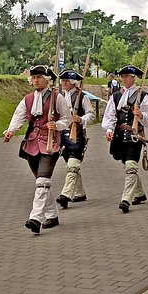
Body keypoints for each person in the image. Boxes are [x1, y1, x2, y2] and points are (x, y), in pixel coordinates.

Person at [3, 65, 71, 233]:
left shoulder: (57, 98)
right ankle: (52, 215)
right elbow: (19, 116)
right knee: (43, 183)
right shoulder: (27, 99)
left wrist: (57, 125)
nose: (35, 80)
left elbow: (67, 119)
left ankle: (35, 217)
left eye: (38, 77)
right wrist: (11, 131)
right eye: (33, 78)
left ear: (46, 80)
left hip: (50, 143)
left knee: (42, 182)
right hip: (32, 144)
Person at [101, 65, 148, 214]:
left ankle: (126, 199)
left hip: (135, 135)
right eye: (122, 76)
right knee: (127, 165)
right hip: (119, 136)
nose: (124, 79)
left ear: (133, 78)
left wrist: (141, 115)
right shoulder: (116, 96)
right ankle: (140, 193)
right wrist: (110, 130)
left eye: (127, 76)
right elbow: (110, 115)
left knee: (131, 166)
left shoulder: (142, 96)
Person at [56, 69, 95, 209]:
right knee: (70, 165)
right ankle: (80, 193)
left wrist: (80, 119)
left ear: (73, 82)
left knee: (72, 166)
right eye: (63, 80)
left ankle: (65, 195)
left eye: (66, 81)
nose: (64, 83)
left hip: (77, 135)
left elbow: (91, 114)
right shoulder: (60, 97)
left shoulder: (82, 96)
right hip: (63, 135)